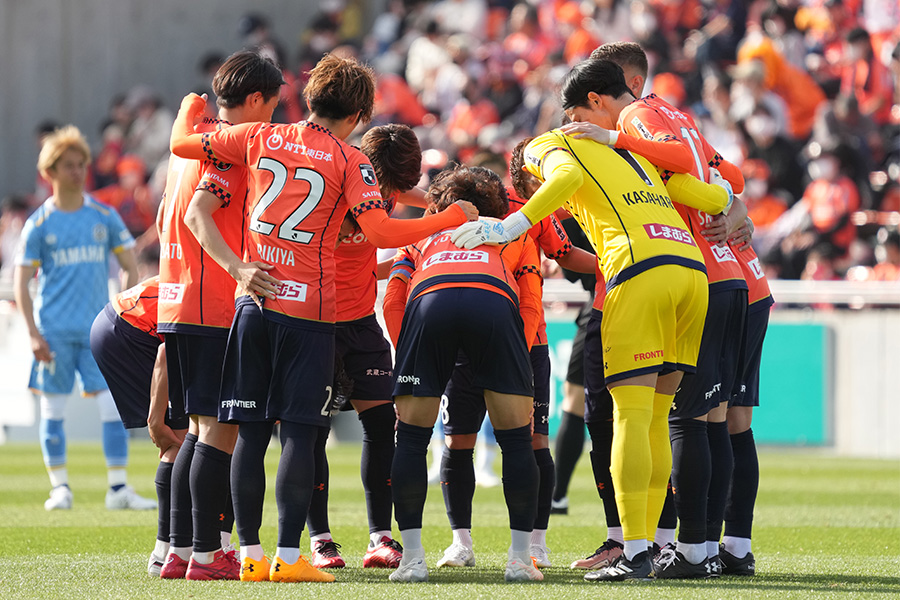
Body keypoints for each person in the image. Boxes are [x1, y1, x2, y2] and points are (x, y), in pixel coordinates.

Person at [169, 53, 475, 584]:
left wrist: (187, 109)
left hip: (253, 302)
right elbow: (380, 231)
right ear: (358, 114)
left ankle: (250, 557)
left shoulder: (257, 136)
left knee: (251, 432)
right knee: (302, 434)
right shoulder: (349, 161)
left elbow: (182, 145)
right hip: (308, 311)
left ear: (308, 99)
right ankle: (291, 558)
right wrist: (450, 217)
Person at [452, 58, 736, 582]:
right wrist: (729, 207)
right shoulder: (638, 156)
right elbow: (714, 193)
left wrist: (509, 225)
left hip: (638, 271)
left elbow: (561, 179)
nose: (630, 112)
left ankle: (632, 552)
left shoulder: (550, 143)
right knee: (656, 417)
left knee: (630, 416)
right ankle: (659, 545)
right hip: (691, 275)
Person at [567, 43, 750, 578]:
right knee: (715, 422)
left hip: (681, 273)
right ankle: (714, 549)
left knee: (669, 419)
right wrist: (734, 209)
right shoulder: (678, 114)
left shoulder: (640, 116)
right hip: (724, 276)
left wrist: (610, 137)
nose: (581, 126)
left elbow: (687, 164)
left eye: (582, 115)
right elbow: (729, 177)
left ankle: (669, 548)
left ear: (610, 90)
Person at [156, 50, 285, 582]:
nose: (274, 120)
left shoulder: (190, 142)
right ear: (255, 101)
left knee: (196, 429)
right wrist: (238, 269)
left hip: (178, 299)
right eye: (274, 108)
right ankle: (207, 556)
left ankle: (180, 551)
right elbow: (196, 215)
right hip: (211, 305)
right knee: (218, 431)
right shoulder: (230, 149)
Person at [434, 149, 597, 571]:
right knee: (457, 442)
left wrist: (618, 265)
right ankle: (461, 542)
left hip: (527, 343)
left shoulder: (532, 212)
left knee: (532, 442)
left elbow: (566, 255)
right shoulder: (456, 210)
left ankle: (535, 543)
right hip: (463, 344)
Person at [383, 165, 544, 583]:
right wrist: (511, 359)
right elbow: (530, 303)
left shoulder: (425, 231)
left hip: (429, 303)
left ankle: (412, 560)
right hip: (492, 306)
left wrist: (411, 357)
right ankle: (521, 560)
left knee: (413, 439)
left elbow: (394, 298)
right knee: (516, 441)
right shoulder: (512, 231)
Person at [304, 124, 448, 571]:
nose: (388, 193)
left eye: (396, 186)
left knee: (382, 424)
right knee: (312, 432)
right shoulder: (337, 183)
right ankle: (321, 541)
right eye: (384, 183)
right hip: (317, 321)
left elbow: (436, 203)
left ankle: (380, 537)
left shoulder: (393, 188)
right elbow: (385, 233)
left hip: (361, 322)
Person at [13, 124, 149, 512]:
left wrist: (122, 310)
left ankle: (119, 488)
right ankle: (60, 488)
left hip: (95, 331)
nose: (77, 171)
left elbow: (129, 264)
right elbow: (21, 282)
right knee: (53, 409)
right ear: (49, 172)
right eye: (69, 165)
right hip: (54, 331)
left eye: (80, 164)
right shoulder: (39, 224)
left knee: (111, 407)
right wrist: (33, 333)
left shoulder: (102, 216)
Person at [88, 276, 189, 576]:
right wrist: (155, 419)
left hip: (118, 320)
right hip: (132, 332)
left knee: (184, 435)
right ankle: (167, 552)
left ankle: (173, 549)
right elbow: (166, 355)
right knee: (180, 438)